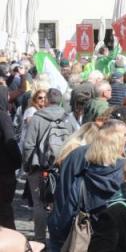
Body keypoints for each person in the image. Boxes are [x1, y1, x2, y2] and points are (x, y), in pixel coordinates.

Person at [47, 119, 126, 252]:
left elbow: (65, 191)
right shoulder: (80, 155)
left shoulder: (79, 155)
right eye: (124, 135)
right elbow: (65, 190)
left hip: (80, 227)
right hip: (93, 229)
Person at [20, 88, 75, 242]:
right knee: (58, 202)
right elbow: (72, 144)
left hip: (39, 166)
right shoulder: (68, 119)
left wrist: (27, 166)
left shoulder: (38, 118)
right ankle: (57, 237)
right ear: (61, 101)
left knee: (39, 204)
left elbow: (29, 145)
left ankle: (40, 239)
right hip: (60, 167)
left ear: (46, 100)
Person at [0, 85, 21, 230]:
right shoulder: (3, 116)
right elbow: (10, 142)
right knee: (4, 209)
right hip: (4, 170)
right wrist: (18, 161)